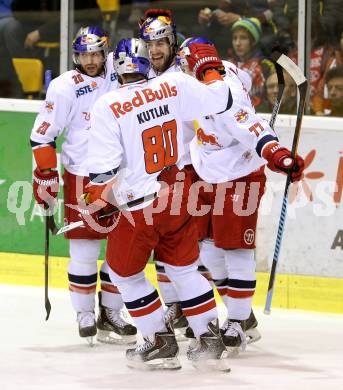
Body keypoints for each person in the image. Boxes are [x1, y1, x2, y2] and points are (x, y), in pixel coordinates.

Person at [82, 37, 232, 370]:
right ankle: (209, 342)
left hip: (139, 207)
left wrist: (96, 197)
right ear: (147, 61)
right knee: (183, 270)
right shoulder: (174, 83)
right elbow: (221, 97)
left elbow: (103, 171)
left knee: (125, 273)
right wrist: (209, 68)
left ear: (114, 66)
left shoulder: (107, 104)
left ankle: (158, 341)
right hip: (178, 198)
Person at [176, 36, 305, 354]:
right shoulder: (204, 80)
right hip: (207, 173)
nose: (181, 68)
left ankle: (236, 321)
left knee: (235, 251)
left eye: (185, 62)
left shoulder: (224, 93)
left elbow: (253, 127)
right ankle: (242, 314)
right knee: (207, 251)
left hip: (239, 175)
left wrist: (279, 156)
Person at [30, 26, 136, 345]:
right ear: (76, 55)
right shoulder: (64, 87)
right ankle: (84, 312)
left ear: (106, 52)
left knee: (122, 251)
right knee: (85, 250)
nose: (90, 60)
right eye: (84, 54)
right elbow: (42, 135)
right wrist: (46, 175)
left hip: (121, 176)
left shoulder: (122, 71)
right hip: (82, 176)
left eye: (96, 53)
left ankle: (111, 313)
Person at [228, 17, 274, 108]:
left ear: (253, 41)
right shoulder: (227, 65)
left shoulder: (265, 65)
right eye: (234, 38)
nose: (237, 43)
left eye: (243, 38)